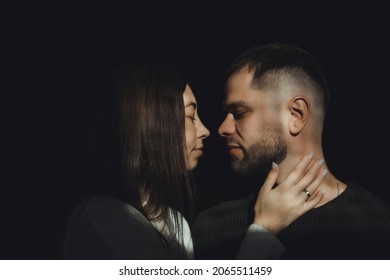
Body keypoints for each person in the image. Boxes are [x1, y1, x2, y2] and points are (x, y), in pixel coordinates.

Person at [61, 56, 328, 260]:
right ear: (151, 124)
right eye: (190, 117)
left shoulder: (175, 222)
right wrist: (263, 232)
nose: (207, 130)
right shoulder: (101, 217)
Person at [192, 43, 390, 260]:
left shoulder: (376, 226)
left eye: (239, 112)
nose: (223, 128)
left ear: (296, 115)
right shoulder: (211, 229)